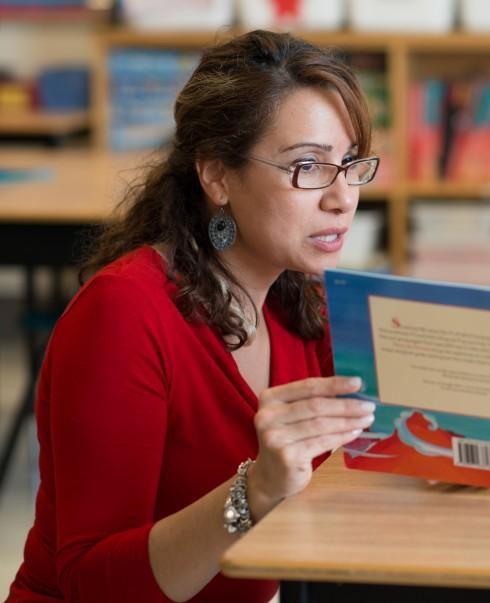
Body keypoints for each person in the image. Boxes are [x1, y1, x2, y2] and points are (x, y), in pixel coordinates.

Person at [7, 30, 381, 602]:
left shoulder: (305, 304)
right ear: (217, 177)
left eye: (350, 164)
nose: (342, 198)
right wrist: (254, 491)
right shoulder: (123, 313)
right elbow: (90, 584)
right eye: (307, 166)